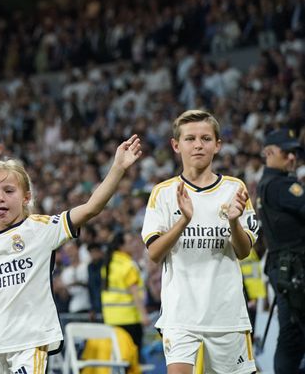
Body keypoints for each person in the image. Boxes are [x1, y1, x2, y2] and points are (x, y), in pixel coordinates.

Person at [0, 135, 142, 373]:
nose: (0, 197)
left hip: (30, 343)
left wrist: (117, 168)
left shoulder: (41, 229)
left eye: (9, 190)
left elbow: (91, 207)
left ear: (26, 197)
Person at [141, 110, 258, 374]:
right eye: (190, 138)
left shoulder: (234, 189)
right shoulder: (163, 193)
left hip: (227, 316)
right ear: (176, 145)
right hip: (180, 316)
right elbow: (154, 254)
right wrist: (183, 221)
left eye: (206, 138)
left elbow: (243, 251)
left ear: (217, 145)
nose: (198, 145)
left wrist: (233, 221)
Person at [256, 128, 305, 372]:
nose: (292, 158)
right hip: (295, 268)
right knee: (292, 333)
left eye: (294, 153)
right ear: (269, 153)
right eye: (286, 153)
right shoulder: (280, 185)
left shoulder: (268, 184)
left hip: (285, 267)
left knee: (291, 333)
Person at [100, 231, 150, 353]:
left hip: (111, 320)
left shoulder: (107, 265)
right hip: (129, 320)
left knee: (118, 359)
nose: (133, 244)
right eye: (130, 242)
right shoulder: (129, 266)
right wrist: (143, 315)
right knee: (132, 359)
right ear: (121, 247)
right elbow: (135, 294)